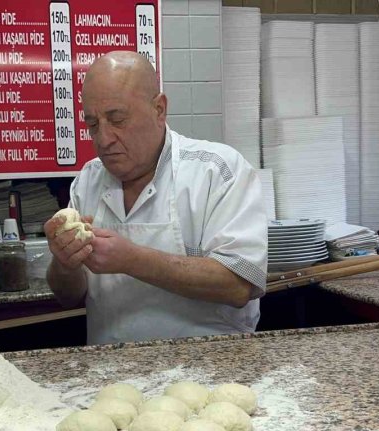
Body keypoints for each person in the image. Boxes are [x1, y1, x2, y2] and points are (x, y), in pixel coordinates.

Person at [44, 51, 266, 345]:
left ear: (159, 109)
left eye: (117, 119)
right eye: (93, 124)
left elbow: (239, 285)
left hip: (210, 369)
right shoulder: (88, 182)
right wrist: (64, 263)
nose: (103, 139)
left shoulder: (216, 171)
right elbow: (68, 296)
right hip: (112, 373)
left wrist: (132, 259)